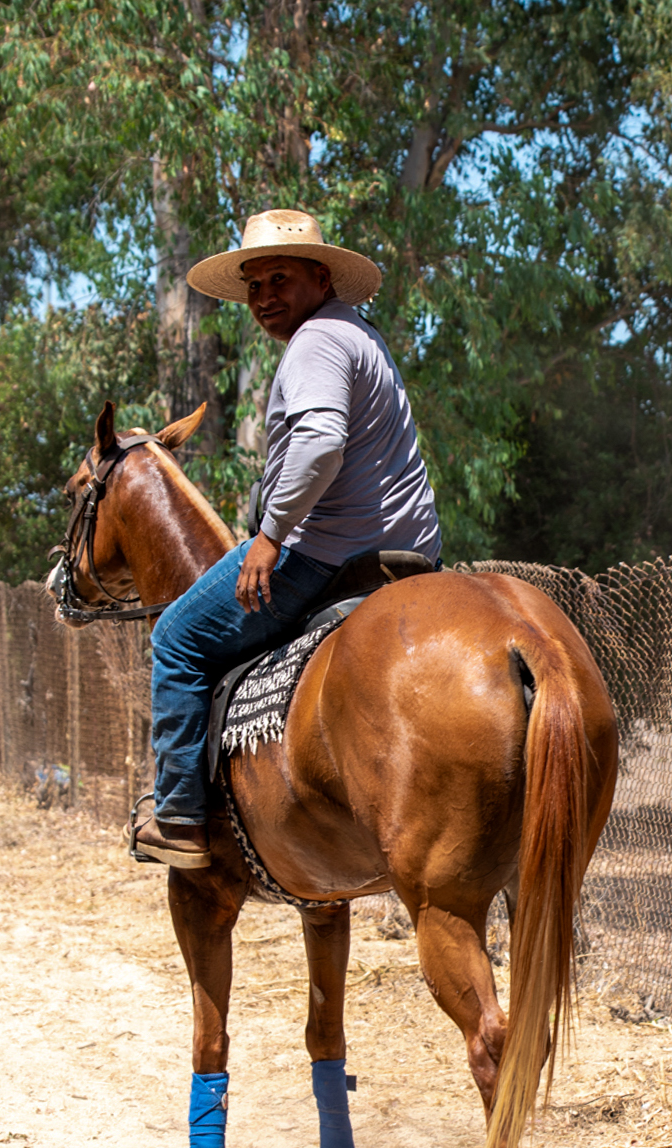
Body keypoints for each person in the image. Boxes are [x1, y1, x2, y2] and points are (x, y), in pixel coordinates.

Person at [132, 209, 442, 868]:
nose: (265, 296)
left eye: (280, 278)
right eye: (254, 284)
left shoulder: (316, 342)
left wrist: (270, 536)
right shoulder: (358, 333)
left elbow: (320, 442)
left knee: (177, 640)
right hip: (410, 556)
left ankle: (180, 819)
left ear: (320, 276)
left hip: (326, 555)